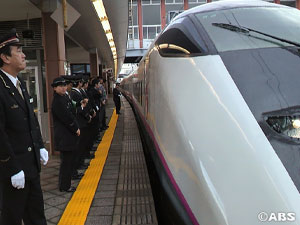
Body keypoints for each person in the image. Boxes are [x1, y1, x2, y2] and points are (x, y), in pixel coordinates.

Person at [0, 29, 48, 225]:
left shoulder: (18, 82)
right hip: (14, 171)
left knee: (36, 217)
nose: (23, 54)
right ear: (4, 57)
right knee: (11, 219)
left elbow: (31, 120)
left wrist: (40, 145)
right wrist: (12, 168)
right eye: (18, 51)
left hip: (31, 166)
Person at [51, 77, 80, 192]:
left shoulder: (64, 98)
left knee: (68, 161)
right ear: (54, 88)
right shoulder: (57, 101)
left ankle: (66, 184)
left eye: (64, 86)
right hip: (64, 136)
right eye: (60, 86)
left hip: (67, 135)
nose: (63, 88)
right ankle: (64, 186)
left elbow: (71, 112)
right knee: (66, 163)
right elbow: (66, 118)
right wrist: (75, 128)